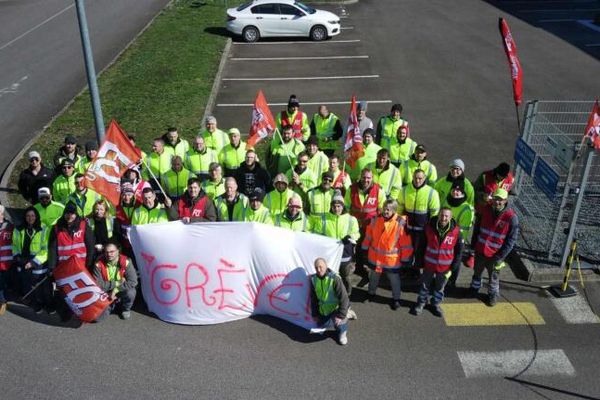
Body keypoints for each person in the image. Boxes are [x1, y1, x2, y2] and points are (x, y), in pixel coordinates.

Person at [469, 188, 519, 306]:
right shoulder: (485, 210)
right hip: (480, 250)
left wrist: (500, 256)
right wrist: (473, 245)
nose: (497, 202)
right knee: (477, 273)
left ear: (506, 200)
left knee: (494, 278)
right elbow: (476, 228)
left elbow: (511, 241)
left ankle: (492, 294)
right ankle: (474, 289)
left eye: (500, 200)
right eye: (496, 198)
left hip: (496, 255)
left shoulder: (511, 217)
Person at [361, 199, 413, 310]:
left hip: (391, 260)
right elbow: (368, 236)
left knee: (394, 280)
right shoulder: (375, 219)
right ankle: (371, 294)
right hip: (376, 257)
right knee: (374, 277)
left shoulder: (400, 223)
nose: (385, 211)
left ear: (394, 210)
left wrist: (405, 259)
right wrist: (364, 248)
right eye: (384, 208)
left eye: (388, 209)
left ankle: (396, 299)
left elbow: (406, 244)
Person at [47, 203, 95, 321]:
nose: (70, 216)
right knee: (66, 292)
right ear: (64, 214)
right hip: (64, 267)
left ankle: (83, 314)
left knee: (81, 292)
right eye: (67, 213)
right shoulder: (57, 228)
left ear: (76, 214)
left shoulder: (83, 225)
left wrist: (88, 265)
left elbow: (90, 246)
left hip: (81, 267)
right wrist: (52, 267)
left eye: (72, 214)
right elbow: (52, 249)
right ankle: (66, 313)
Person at [412, 208, 463, 317]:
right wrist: (419, 261)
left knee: (440, 288)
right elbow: (421, 246)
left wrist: (454, 266)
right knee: (424, 285)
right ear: (438, 215)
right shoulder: (428, 227)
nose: (443, 218)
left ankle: (435, 304)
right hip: (429, 264)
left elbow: (459, 251)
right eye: (442, 215)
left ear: (450, 218)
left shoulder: (456, 231)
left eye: (446, 216)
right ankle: (421, 303)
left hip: (445, 266)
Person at [310, 191, 360, 296]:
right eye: (334, 206)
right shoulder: (323, 219)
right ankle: (332, 294)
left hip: (345, 253)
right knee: (330, 275)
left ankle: (347, 294)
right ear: (331, 207)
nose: (336, 209)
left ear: (343, 206)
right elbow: (316, 233)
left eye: (339, 206)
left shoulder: (351, 219)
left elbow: (357, 233)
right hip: (329, 253)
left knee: (345, 276)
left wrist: (350, 237)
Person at [398, 169, 440, 273]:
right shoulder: (404, 190)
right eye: (415, 178)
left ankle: (416, 272)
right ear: (412, 177)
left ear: (424, 178)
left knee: (419, 252)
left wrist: (431, 229)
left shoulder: (431, 193)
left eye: (420, 178)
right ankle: (406, 270)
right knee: (406, 250)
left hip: (422, 230)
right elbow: (399, 209)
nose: (417, 180)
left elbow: (434, 214)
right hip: (407, 229)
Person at [13, 207, 51, 314]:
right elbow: (15, 246)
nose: (30, 218)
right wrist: (17, 258)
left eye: (33, 216)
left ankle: (48, 305)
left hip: (38, 262)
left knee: (42, 286)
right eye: (28, 216)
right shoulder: (18, 229)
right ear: (25, 217)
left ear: (36, 216)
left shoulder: (43, 229)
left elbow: (45, 250)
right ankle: (35, 304)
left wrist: (33, 262)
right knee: (28, 285)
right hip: (23, 261)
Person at [93, 241, 138, 320]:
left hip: (121, 289)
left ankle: (125, 308)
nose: (109, 254)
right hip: (106, 292)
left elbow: (133, 281)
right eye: (106, 252)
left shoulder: (126, 261)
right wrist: (118, 282)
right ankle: (113, 305)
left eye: (112, 252)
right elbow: (98, 285)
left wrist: (115, 290)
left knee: (130, 292)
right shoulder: (98, 264)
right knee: (97, 319)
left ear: (118, 251)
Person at [309, 257, 350, 345]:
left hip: (336, 309)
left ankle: (343, 332)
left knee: (339, 322)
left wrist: (341, 315)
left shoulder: (335, 279)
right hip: (324, 310)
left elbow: (344, 298)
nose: (319, 270)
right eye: (316, 268)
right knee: (320, 328)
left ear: (326, 266)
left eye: (321, 267)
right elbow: (314, 298)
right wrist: (315, 314)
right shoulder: (313, 279)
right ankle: (347, 312)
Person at [442, 181, 475, 277]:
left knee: (456, 260)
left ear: (463, 192)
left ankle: (452, 280)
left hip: (456, 239)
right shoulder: (446, 201)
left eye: (459, 190)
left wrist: (455, 240)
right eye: (454, 189)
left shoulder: (466, 209)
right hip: (444, 235)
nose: (455, 192)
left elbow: (463, 230)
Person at [345, 168, 386, 233]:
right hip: (354, 226)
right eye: (363, 177)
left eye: (368, 178)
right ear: (360, 177)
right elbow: (346, 207)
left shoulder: (379, 190)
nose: (366, 180)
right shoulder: (351, 189)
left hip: (371, 226)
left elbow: (382, 210)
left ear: (372, 178)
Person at [114, 183, 137, 257]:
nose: (127, 197)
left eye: (129, 195)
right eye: (124, 195)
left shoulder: (138, 206)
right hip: (124, 244)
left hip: (136, 243)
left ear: (133, 195)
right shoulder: (117, 208)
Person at [0, 205, 14, 316]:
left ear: (2, 214)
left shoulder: (10, 227)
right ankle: (2, 301)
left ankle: (3, 301)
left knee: (5, 284)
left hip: (8, 263)